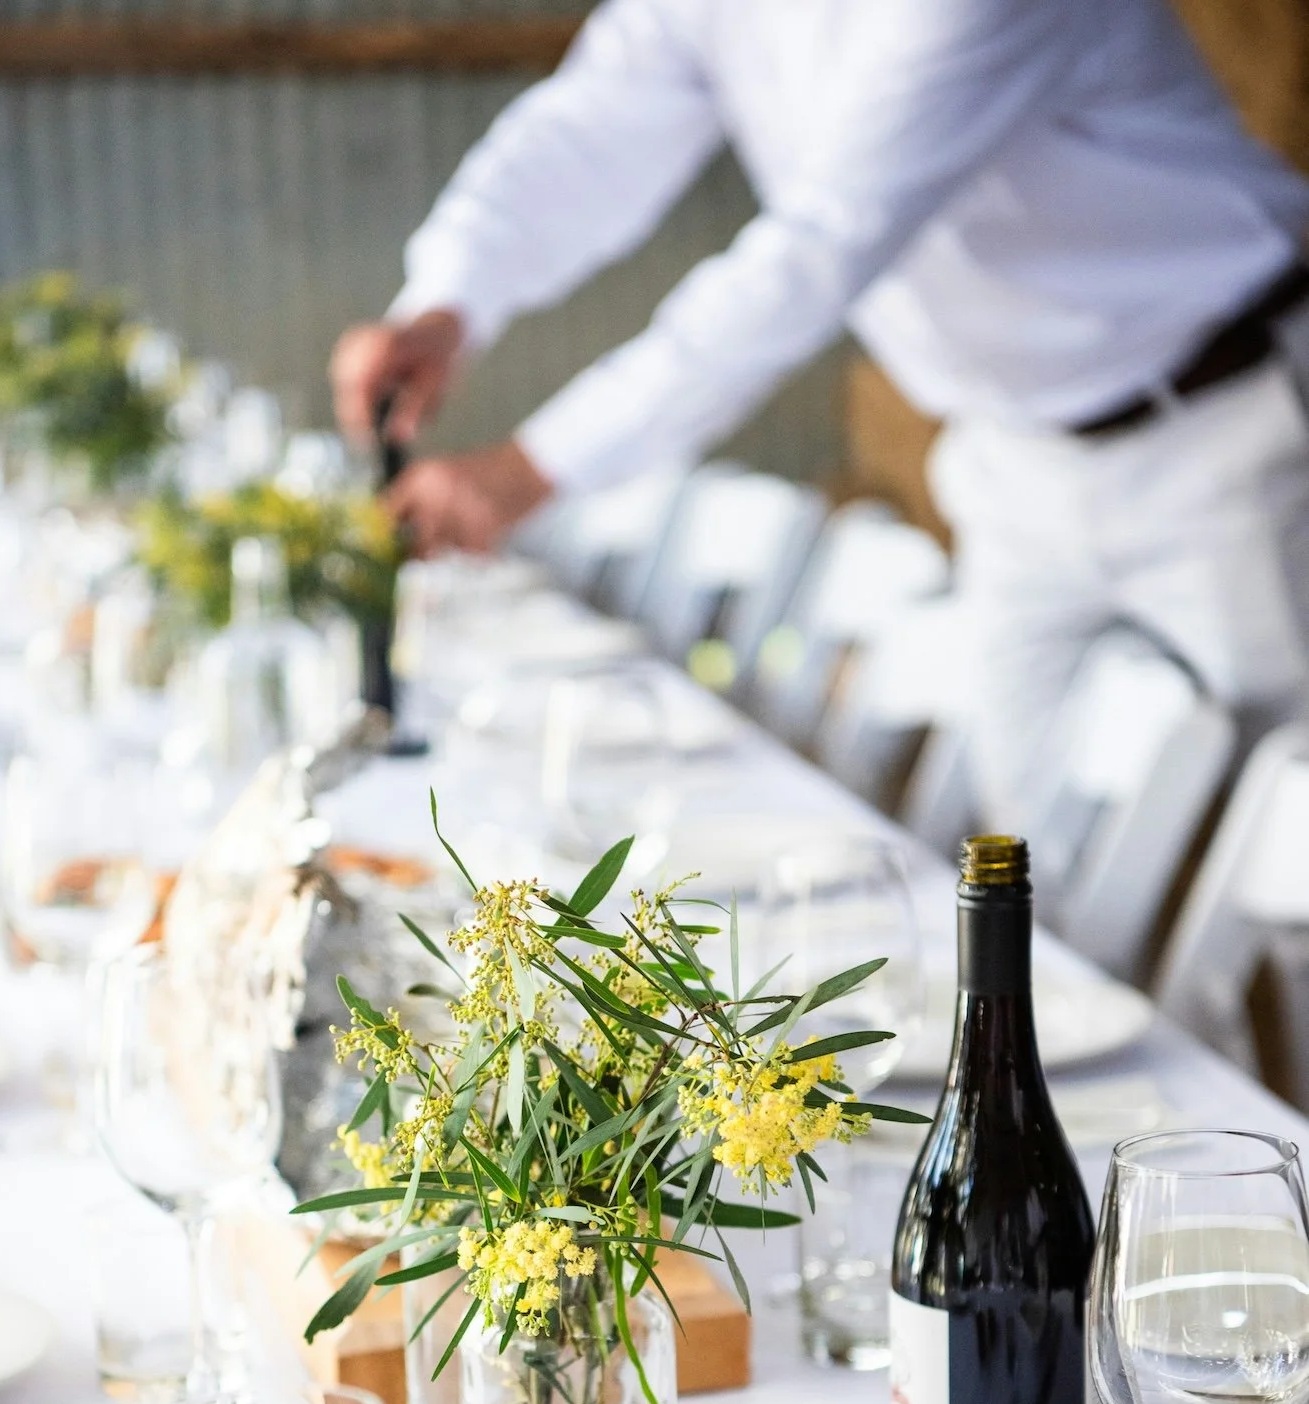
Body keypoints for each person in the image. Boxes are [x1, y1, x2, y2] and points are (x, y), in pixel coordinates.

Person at [331, 0, 1309, 828]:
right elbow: (589, 130)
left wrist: (533, 466)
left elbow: (815, 256)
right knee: (1026, 870)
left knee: (1284, 860)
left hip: (1234, 426)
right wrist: (447, 301)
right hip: (1013, 456)